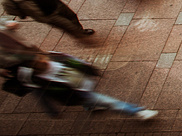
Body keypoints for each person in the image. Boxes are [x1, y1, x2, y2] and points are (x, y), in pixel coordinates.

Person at [13, 52, 157, 119]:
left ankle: (89, 106)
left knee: (93, 100)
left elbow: (75, 61)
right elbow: (41, 97)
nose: (44, 61)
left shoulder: (55, 57)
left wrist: (91, 69)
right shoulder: (37, 80)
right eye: (38, 63)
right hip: (77, 92)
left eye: (40, 58)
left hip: (84, 82)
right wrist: (52, 111)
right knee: (110, 102)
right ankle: (137, 112)